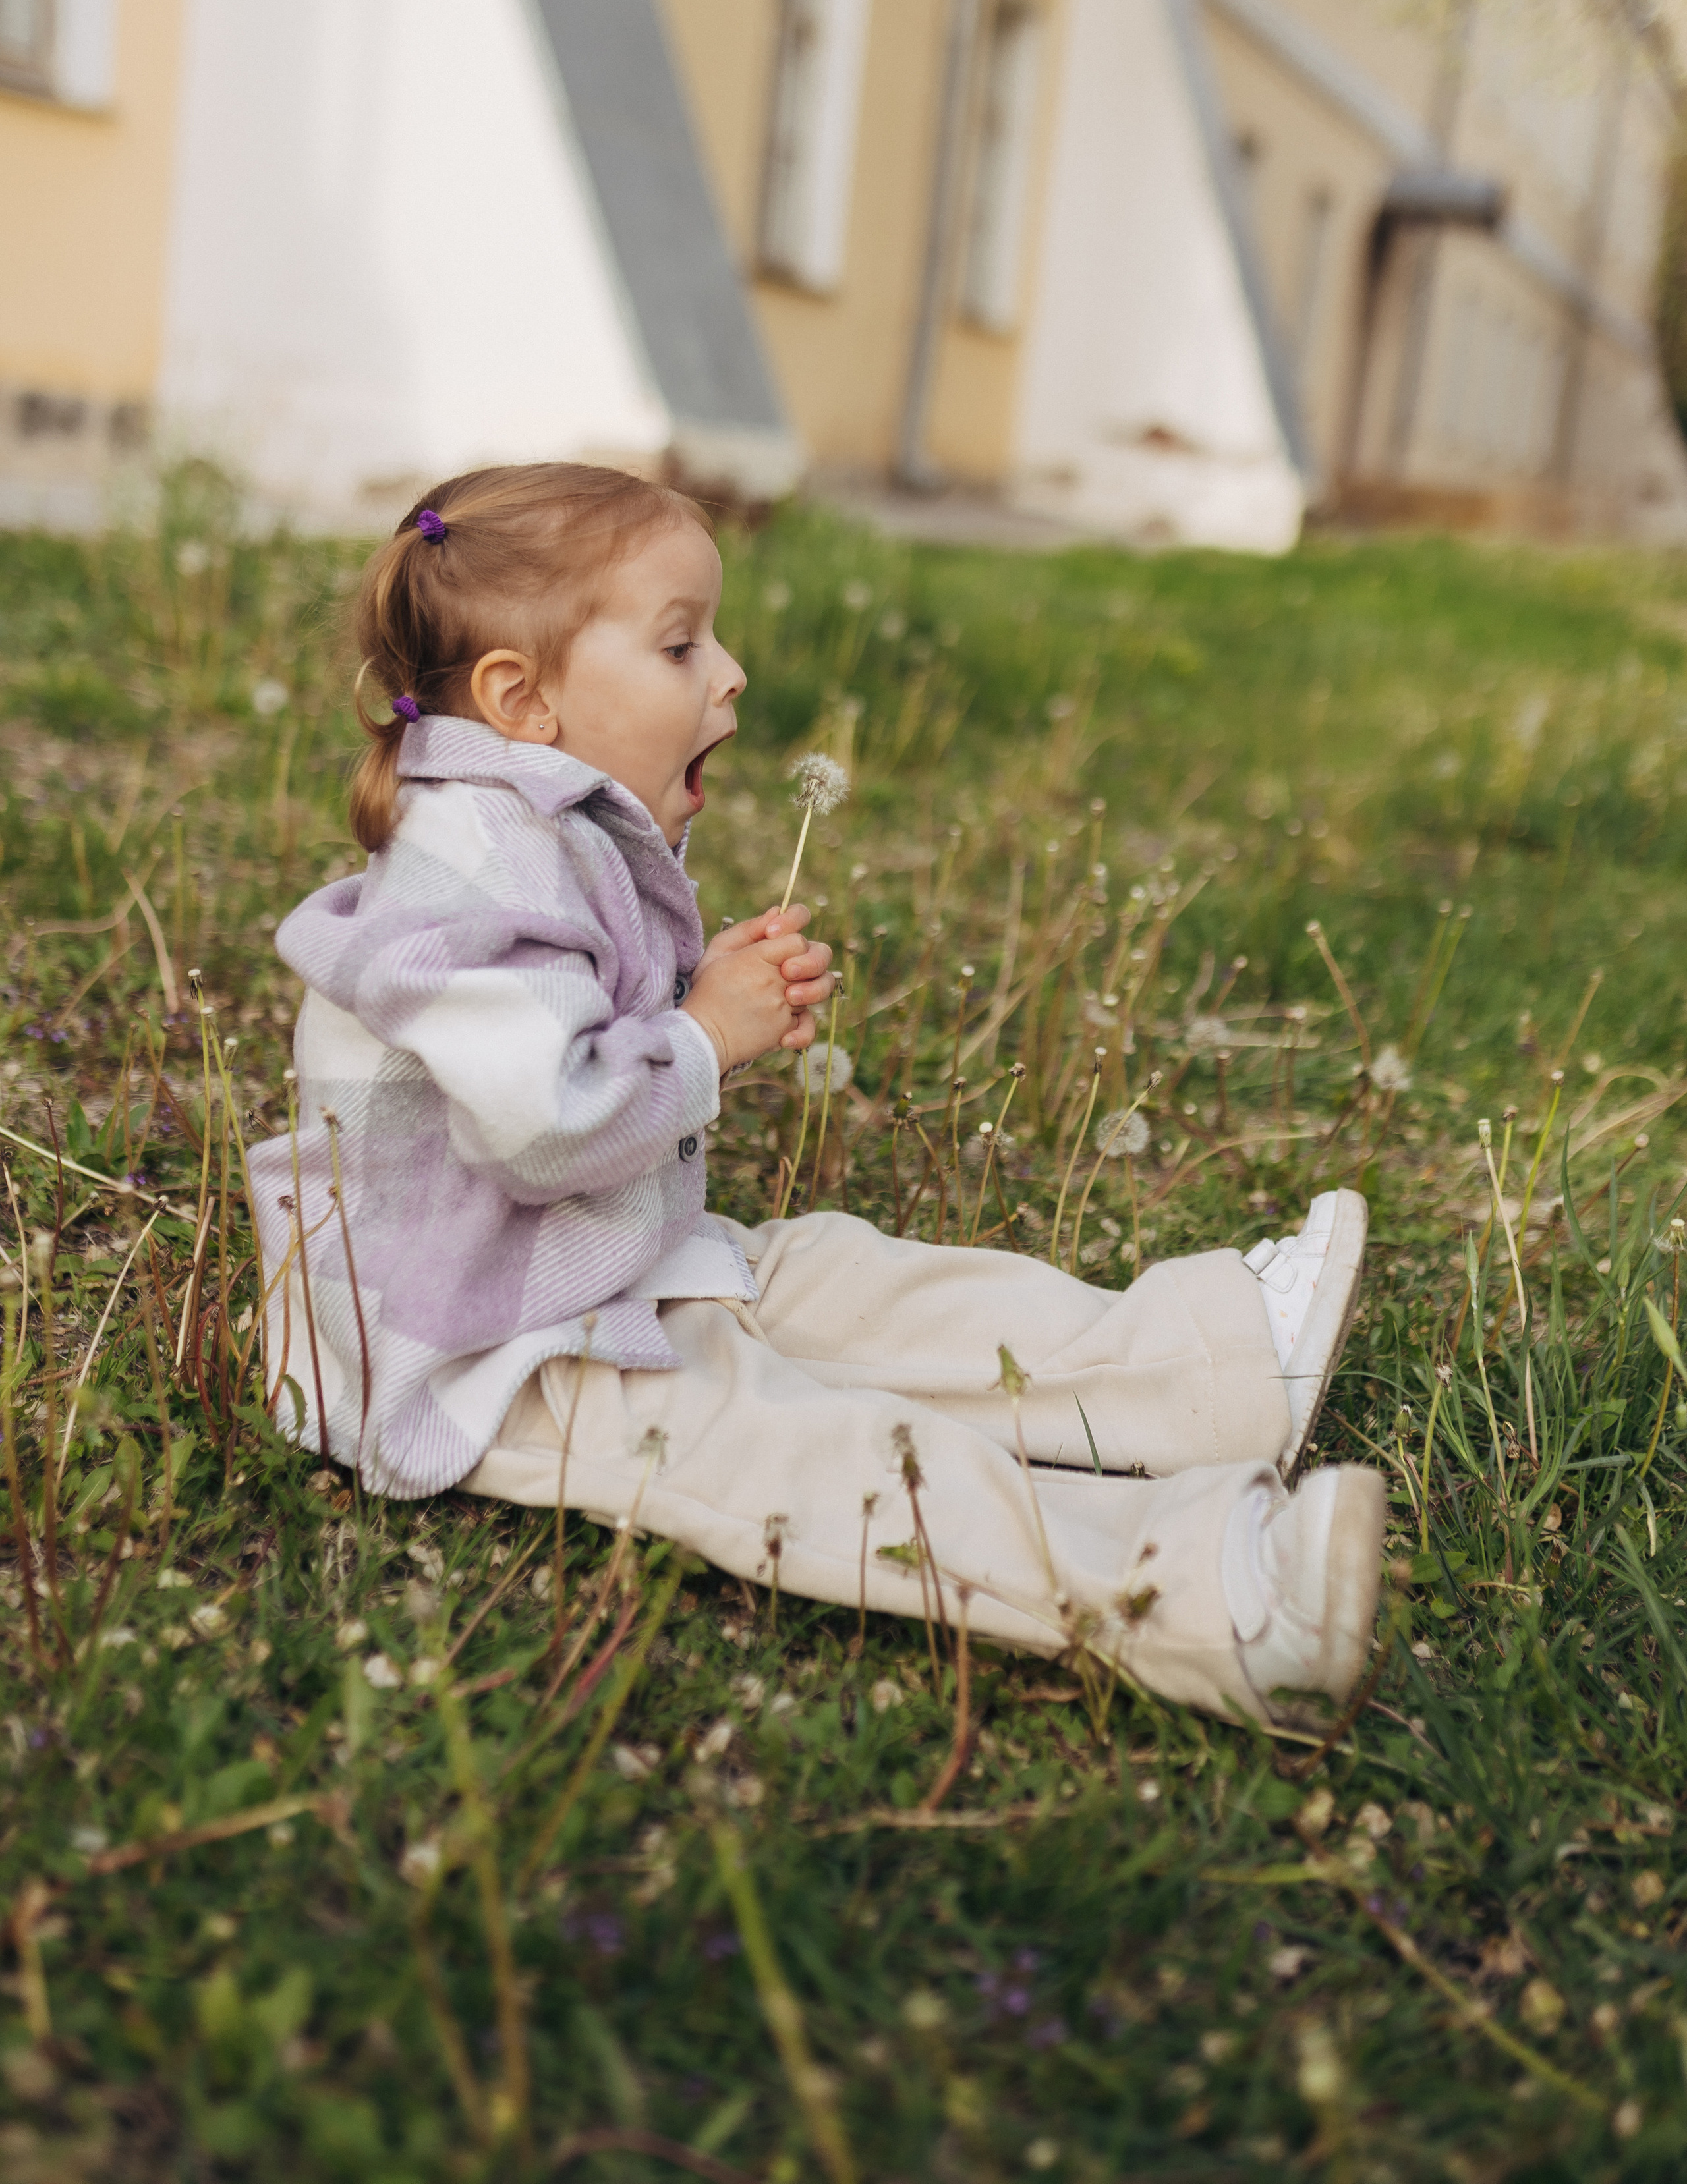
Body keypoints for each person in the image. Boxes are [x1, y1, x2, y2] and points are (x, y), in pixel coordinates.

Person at [249, 464, 1385, 1725]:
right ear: (525, 698)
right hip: (476, 1356)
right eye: (682, 643)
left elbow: (575, 1034)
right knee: (806, 1450)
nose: (729, 673)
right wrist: (702, 1035)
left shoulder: (532, 825)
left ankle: (1217, 1365)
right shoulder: (463, 867)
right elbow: (537, 1124)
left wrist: (705, 991)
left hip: (582, 1264)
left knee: (857, 1281)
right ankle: (1208, 1592)